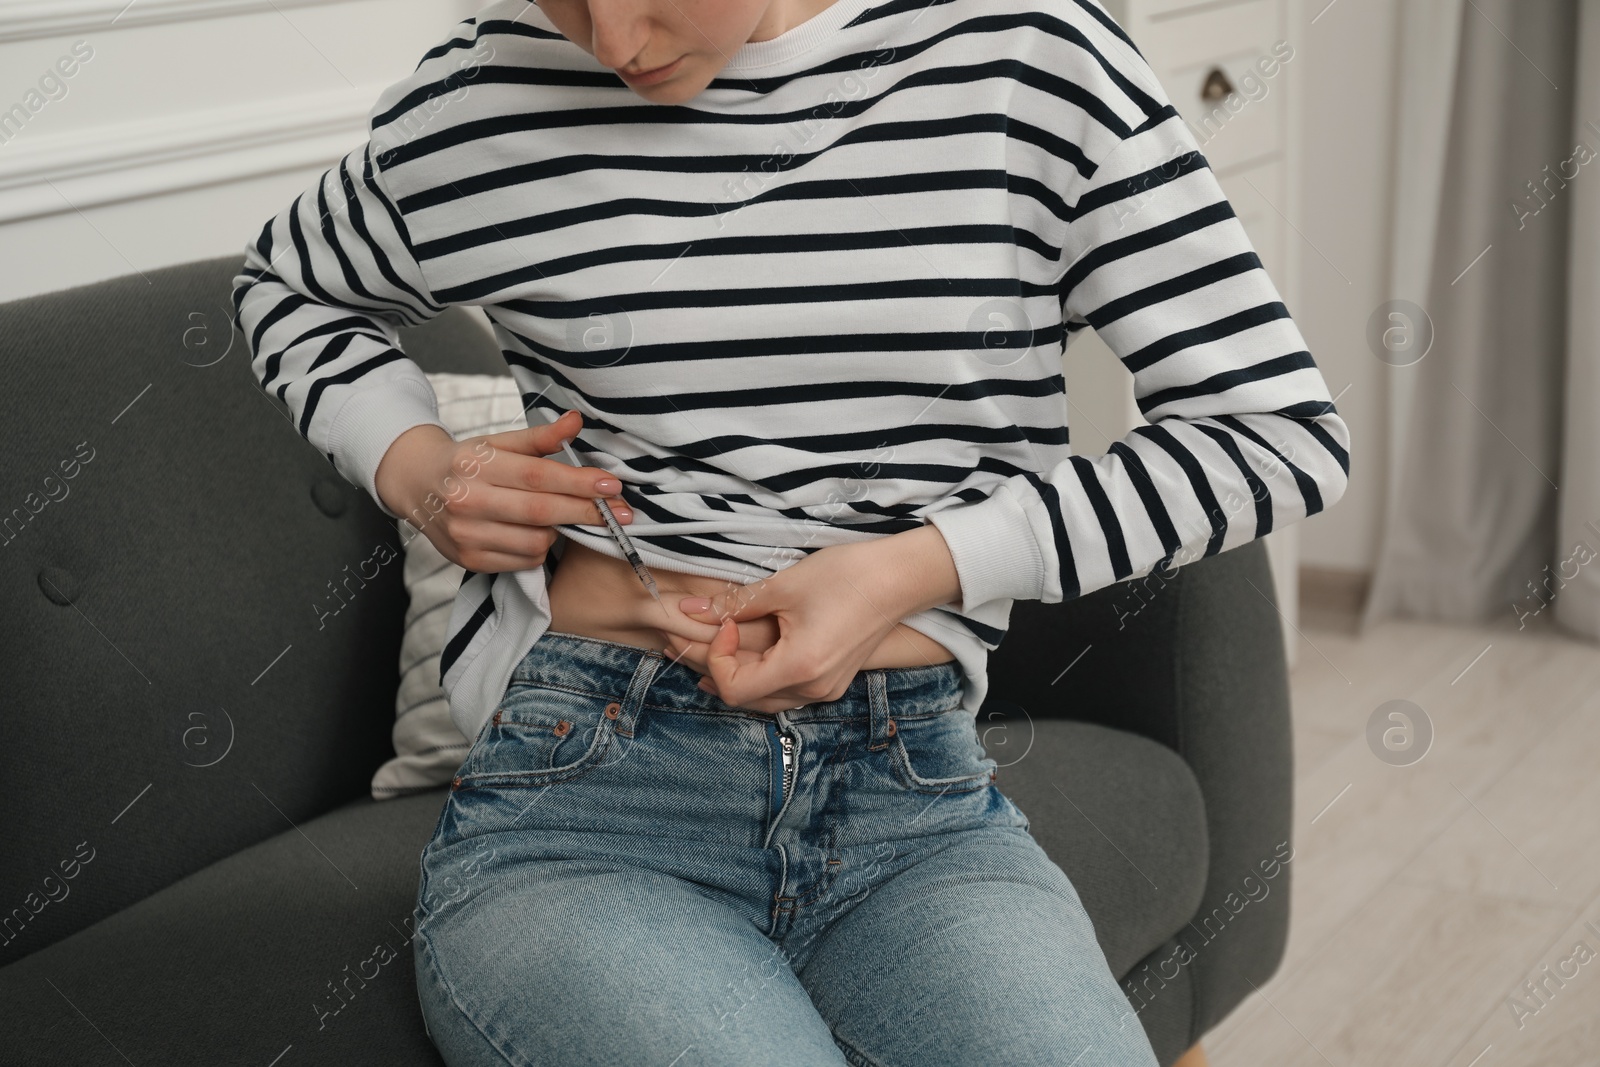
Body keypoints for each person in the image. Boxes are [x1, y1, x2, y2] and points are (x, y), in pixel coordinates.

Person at [232, 1, 1349, 1063]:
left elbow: (1277, 433)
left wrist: (914, 566)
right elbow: (287, 283)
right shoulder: (487, 94)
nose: (612, 38)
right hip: (585, 799)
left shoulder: (1029, 60)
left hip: (912, 805)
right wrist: (416, 464)